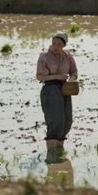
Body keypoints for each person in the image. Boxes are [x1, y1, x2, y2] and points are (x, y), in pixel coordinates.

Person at [36, 32, 78, 163]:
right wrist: (57, 76)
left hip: (64, 90)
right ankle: (51, 156)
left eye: (59, 44)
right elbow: (39, 77)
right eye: (54, 43)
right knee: (55, 121)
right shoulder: (44, 57)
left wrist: (71, 79)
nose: (56, 46)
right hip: (50, 89)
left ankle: (59, 155)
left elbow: (74, 72)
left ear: (63, 45)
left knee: (66, 121)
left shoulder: (67, 56)